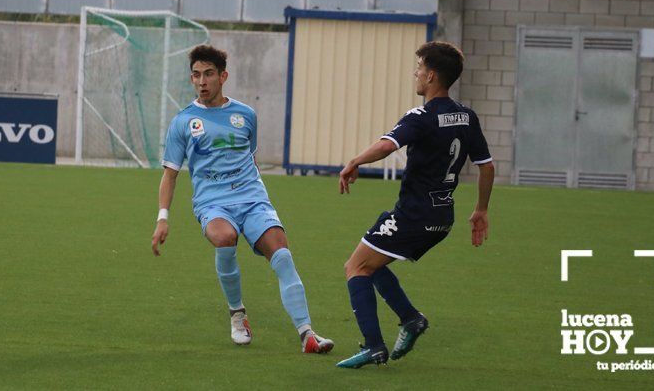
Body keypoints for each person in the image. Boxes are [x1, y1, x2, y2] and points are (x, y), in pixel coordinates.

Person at [151, 44, 334, 354]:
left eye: (208, 74)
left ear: (223, 76)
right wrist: (163, 218)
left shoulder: (246, 114)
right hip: (213, 203)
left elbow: (249, 158)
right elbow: (170, 174)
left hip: (252, 199)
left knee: (282, 254)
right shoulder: (183, 122)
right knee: (224, 238)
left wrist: (255, 197)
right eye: (196, 75)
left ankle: (308, 334)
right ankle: (237, 314)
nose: (202, 81)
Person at [335, 41, 495, 368]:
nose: (416, 73)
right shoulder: (467, 117)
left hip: (415, 214)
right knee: (373, 259)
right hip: (442, 217)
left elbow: (386, 145)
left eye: (419, 67)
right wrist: (480, 210)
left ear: (432, 75)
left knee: (355, 267)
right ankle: (410, 319)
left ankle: (373, 346)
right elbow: (487, 166)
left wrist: (355, 161)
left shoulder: (421, 116)